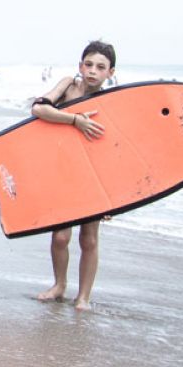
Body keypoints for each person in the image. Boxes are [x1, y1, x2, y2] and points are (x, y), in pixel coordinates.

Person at [30, 40, 116, 311]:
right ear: (80, 66)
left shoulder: (112, 101)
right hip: (64, 170)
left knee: (89, 238)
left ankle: (83, 297)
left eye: (100, 67)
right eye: (89, 64)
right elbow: (39, 109)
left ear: (110, 73)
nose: (93, 71)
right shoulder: (68, 86)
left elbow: (114, 152)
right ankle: (59, 285)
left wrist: (113, 195)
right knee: (60, 237)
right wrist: (75, 120)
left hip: (92, 176)